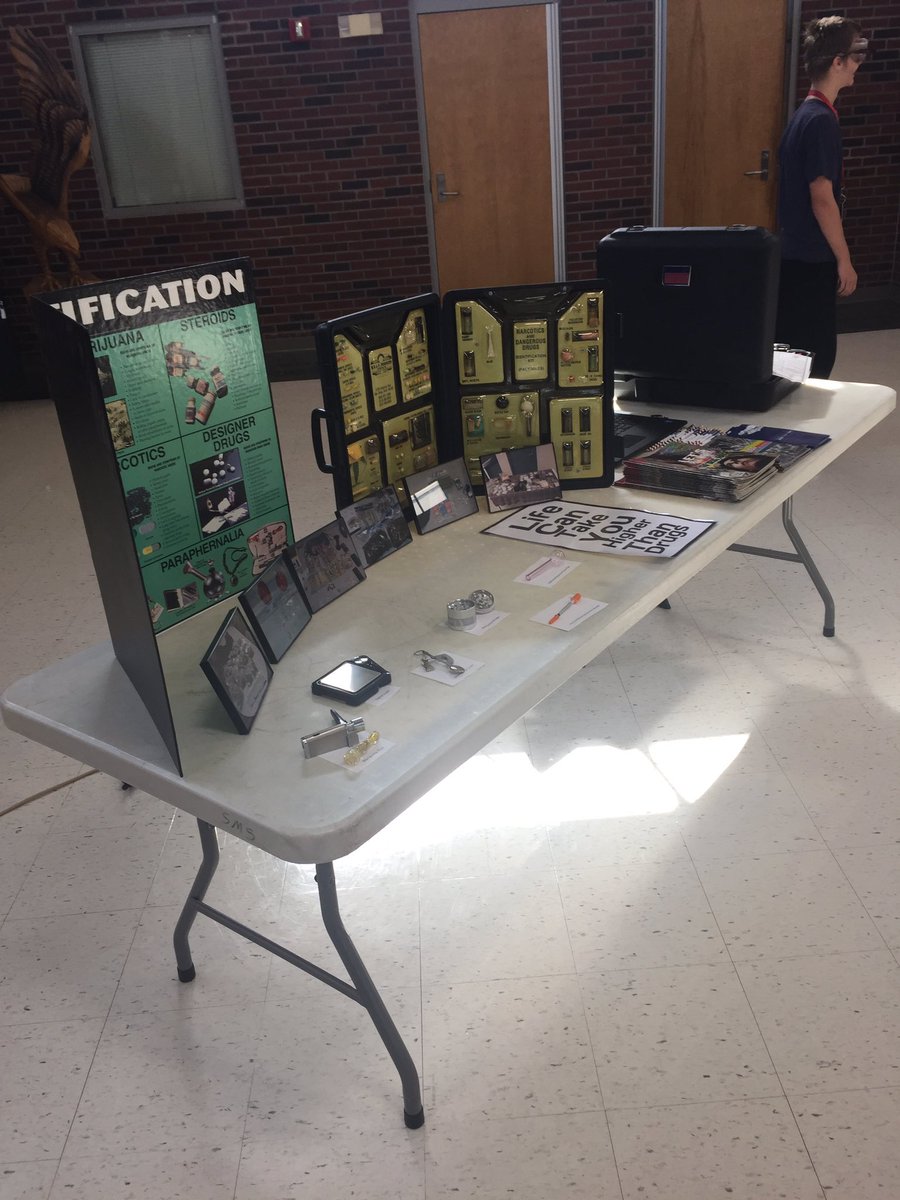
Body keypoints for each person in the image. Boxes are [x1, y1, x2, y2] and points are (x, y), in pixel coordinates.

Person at [775, 16, 868, 379]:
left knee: (793, 353)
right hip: (812, 258)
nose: (859, 65)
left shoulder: (804, 115)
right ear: (837, 62)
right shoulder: (820, 122)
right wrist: (844, 259)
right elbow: (822, 197)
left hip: (794, 255)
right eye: (856, 55)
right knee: (815, 357)